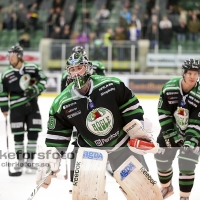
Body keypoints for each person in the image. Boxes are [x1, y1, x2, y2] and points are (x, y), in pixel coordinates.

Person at [36, 52, 153, 191]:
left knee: (142, 189)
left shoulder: (111, 85)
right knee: (85, 193)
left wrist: (136, 126)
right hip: (89, 151)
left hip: (122, 145)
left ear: (88, 68)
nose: (76, 73)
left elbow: (130, 106)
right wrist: (52, 159)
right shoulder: (61, 103)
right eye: (72, 70)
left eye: (79, 68)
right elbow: (58, 135)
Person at [154, 58, 200, 200]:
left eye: (196, 73)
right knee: (161, 158)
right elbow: (163, 113)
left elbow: (196, 122)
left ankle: (184, 197)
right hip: (171, 130)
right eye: (190, 73)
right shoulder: (169, 88)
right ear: (183, 73)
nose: (193, 76)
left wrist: (189, 142)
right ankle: (166, 187)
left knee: (187, 162)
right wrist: (170, 134)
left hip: (192, 133)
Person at [0, 45, 47, 174]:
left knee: (33, 133)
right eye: (9, 55)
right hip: (16, 108)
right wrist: (4, 108)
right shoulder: (6, 74)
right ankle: (20, 162)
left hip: (32, 106)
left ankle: (30, 162)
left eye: (13, 55)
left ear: (19, 56)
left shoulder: (33, 68)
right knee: (18, 136)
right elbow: (2, 93)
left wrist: (35, 89)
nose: (10, 57)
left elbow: (43, 79)